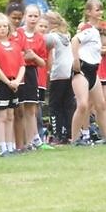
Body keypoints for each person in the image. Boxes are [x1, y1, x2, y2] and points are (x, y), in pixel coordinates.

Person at [70, 0, 106, 146]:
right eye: (97, 10)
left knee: (100, 105)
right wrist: (75, 60)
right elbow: (75, 40)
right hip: (82, 70)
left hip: (93, 71)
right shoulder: (87, 29)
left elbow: (92, 49)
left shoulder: (96, 31)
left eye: (101, 9)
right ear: (88, 12)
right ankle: (75, 138)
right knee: (83, 104)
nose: (100, 12)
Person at [14, 3, 49, 150]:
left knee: (31, 109)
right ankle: (18, 143)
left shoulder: (40, 38)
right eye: (30, 16)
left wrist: (33, 56)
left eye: (36, 16)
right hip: (18, 73)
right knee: (18, 109)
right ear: (25, 17)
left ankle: (30, 142)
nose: (33, 19)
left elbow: (42, 62)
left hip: (32, 73)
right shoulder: (18, 33)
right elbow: (13, 54)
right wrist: (23, 56)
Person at [0, 12, 24, 156]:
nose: (3, 29)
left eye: (5, 26)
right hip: (2, 83)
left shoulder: (15, 45)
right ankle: (2, 146)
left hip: (15, 82)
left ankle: (11, 145)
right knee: (1, 116)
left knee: (11, 115)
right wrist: (7, 81)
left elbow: (22, 65)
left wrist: (17, 81)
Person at [43, 11, 76, 145]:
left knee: (55, 106)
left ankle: (57, 134)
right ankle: (68, 132)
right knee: (68, 104)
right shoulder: (66, 35)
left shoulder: (52, 37)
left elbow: (41, 45)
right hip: (68, 71)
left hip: (57, 73)